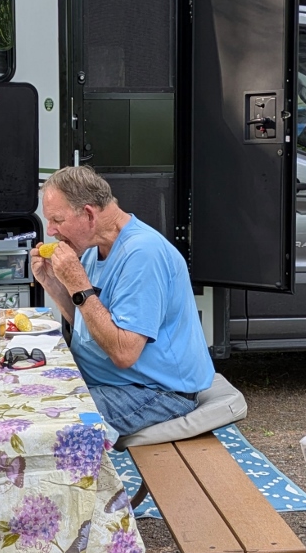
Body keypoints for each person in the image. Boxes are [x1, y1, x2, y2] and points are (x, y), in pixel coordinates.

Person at [29, 166, 215, 437]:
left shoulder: (143, 255)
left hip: (154, 392)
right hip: (109, 382)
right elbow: (90, 322)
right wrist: (54, 285)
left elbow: (124, 353)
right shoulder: (95, 247)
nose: (51, 230)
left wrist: (78, 285)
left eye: (57, 220)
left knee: (48, 428)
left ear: (89, 214)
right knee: (22, 392)